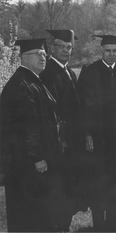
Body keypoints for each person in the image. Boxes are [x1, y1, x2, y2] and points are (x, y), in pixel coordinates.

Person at [0, 38, 61, 232]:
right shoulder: (22, 85)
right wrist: (37, 158)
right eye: (38, 54)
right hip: (27, 164)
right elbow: (27, 126)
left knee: (36, 212)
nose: (43, 57)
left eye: (44, 54)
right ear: (24, 58)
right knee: (29, 214)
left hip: (32, 162)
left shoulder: (32, 81)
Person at [78, 34, 116, 232]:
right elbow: (82, 106)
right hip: (98, 140)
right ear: (101, 51)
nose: (111, 54)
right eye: (107, 51)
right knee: (98, 182)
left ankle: (113, 224)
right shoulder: (90, 71)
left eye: (114, 51)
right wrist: (86, 134)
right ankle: (98, 224)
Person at [39, 29, 81, 231]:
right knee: (57, 189)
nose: (66, 50)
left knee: (69, 187)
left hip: (71, 143)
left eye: (69, 47)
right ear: (51, 48)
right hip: (56, 144)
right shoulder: (46, 74)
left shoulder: (70, 72)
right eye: (61, 47)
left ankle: (64, 225)